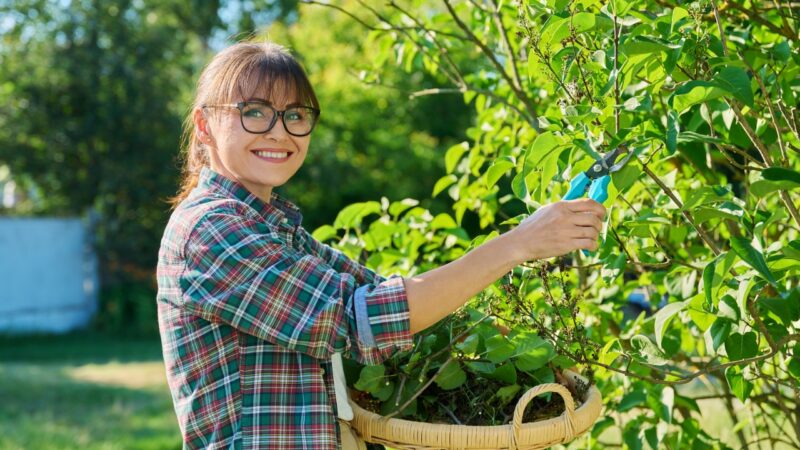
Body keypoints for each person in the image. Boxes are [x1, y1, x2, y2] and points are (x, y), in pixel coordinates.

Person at [156, 41, 605, 450]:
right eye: (255, 111)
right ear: (204, 125)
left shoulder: (272, 228)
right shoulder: (209, 230)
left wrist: (501, 330)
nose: (279, 132)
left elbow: (382, 291)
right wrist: (518, 243)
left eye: (296, 114)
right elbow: (360, 319)